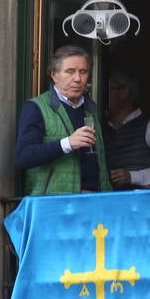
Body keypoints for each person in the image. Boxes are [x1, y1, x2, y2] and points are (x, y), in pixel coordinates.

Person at [16, 44, 111, 195]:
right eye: (70, 71)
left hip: (95, 202)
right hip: (56, 206)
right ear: (54, 75)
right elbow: (23, 157)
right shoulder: (36, 108)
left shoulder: (92, 109)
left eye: (83, 72)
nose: (78, 79)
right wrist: (67, 143)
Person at [104, 70, 150, 189]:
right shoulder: (103, 131)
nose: (103, 94)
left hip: (144, 204)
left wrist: (132, 176)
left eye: (108, 89)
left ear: (124, 92)